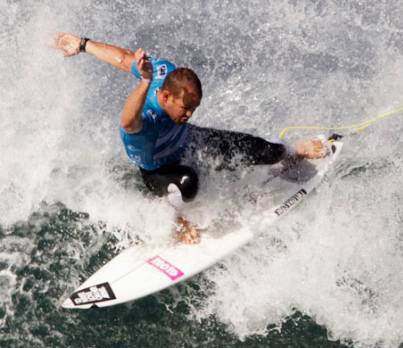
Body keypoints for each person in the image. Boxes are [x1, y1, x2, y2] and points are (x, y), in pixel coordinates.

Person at [53, 33, 328, 243]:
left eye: (193, 109)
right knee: (188, 183)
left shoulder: (165, 73)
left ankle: (291, 151)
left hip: (188, 142)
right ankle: (177, 220)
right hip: (158, 170)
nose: (188, 114)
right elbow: (126, 120)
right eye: (185, 109)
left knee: (258, 148)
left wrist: (83, 44)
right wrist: (144, 83)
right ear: (165, 97)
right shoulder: (145, 117)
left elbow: (125, 59)